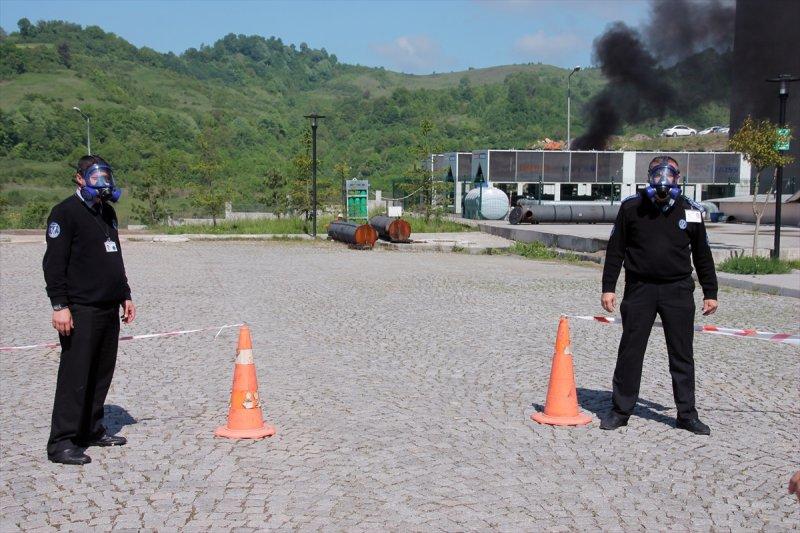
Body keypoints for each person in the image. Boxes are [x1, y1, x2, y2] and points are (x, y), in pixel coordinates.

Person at [600, 156, 718, 435]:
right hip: (640, 288)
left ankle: (687, 414)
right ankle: (620, 410)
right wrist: (608, 287)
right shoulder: (632, 207)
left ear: (678, 178)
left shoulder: (691, 210)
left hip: (677, 290)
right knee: (630, 351)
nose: (663, 180)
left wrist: (710, 291)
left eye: (670, 175)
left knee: (682, 354)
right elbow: (616, 249)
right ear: (650, 177)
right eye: (657, 174)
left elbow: (703, 254)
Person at [43, 155, 136, 465]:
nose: (102, 182)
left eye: (105, 176)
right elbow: (53, 265)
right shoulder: (65, 213)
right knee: (76, 374)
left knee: (100, 373)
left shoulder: (107, 212)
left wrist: (125, 293)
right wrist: (60, 306)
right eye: (95, 176)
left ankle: (91, 430)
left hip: (108, 307)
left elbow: (116, 256)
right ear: (80, 178)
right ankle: (63, 441)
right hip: (80, 308)